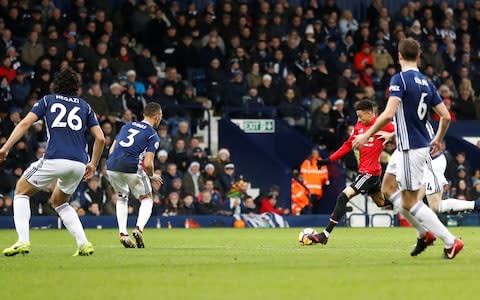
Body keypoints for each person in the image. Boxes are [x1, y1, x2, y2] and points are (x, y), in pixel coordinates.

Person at [352, 38, 463, 259]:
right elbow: (446, 116)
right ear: (419, 56)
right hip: (409, 145)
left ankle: (451, 241)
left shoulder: (399, 79)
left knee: (410, 201)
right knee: (388, 187)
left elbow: (389, 113)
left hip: (412, 149)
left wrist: (366, 134)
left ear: (399, 56)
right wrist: (438, 138)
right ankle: (424, 234)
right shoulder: (427, 82)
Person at [1, 69, 105, 256]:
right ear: (76, 88)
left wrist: (5, 148)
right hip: (79, 164)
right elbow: (101, 138)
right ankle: (84, 244)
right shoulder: (85, 106)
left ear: (56, 85)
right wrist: (94, 164)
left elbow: (25, 124)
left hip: (55, 158)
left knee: (21, 191)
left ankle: (22, 241)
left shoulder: (48, 100)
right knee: (59, 202)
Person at [379, 124, 480, 256]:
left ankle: (474, 207)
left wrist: (370, 132)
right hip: (418, 158)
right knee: (415, 203)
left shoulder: (409, 107)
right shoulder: (405, 112)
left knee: (429, 206)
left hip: (430, 162)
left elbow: (443, 117)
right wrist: (392, 135)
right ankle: (425, 235)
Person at [310, 100, 394, 244]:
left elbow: (405, 130)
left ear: (369, 113)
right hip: (368, 172)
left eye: (361, 116)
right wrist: (328, 160)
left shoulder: (382, 123)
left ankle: (325, 234)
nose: (359, 120)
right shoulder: (359, 126)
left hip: (369, 173)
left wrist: (391, 135)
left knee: (343, 197)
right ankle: (409, 203)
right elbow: (348, 144)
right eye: (357, 117)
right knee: (381, 203)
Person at [106, 102, 162, 248]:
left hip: (111, 165)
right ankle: (138, 229)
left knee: (122, 197)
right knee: (147, 198)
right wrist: (152, 175)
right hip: (131, 166)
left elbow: (112, 149)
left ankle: (123, 234)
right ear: (156, 116)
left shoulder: (127, 126)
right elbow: (148, 164)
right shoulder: (152, 135)